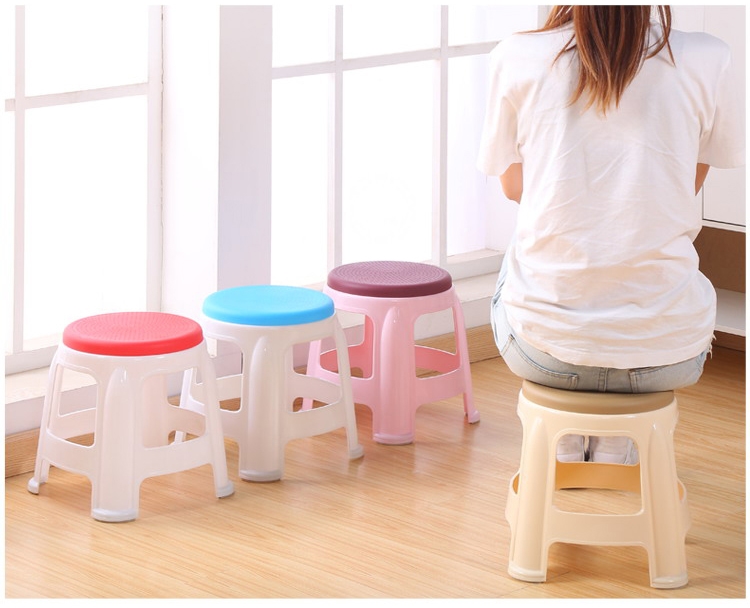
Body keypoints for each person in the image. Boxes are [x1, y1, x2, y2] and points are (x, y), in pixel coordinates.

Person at [477, 6, 745, 464]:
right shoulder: (708, 56)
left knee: (520, 253)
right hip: (666, 355)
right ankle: (620, 439)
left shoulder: (517, 54)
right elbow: (681, 188)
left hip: (544, 353)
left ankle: (561, 437)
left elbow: (514, 188)